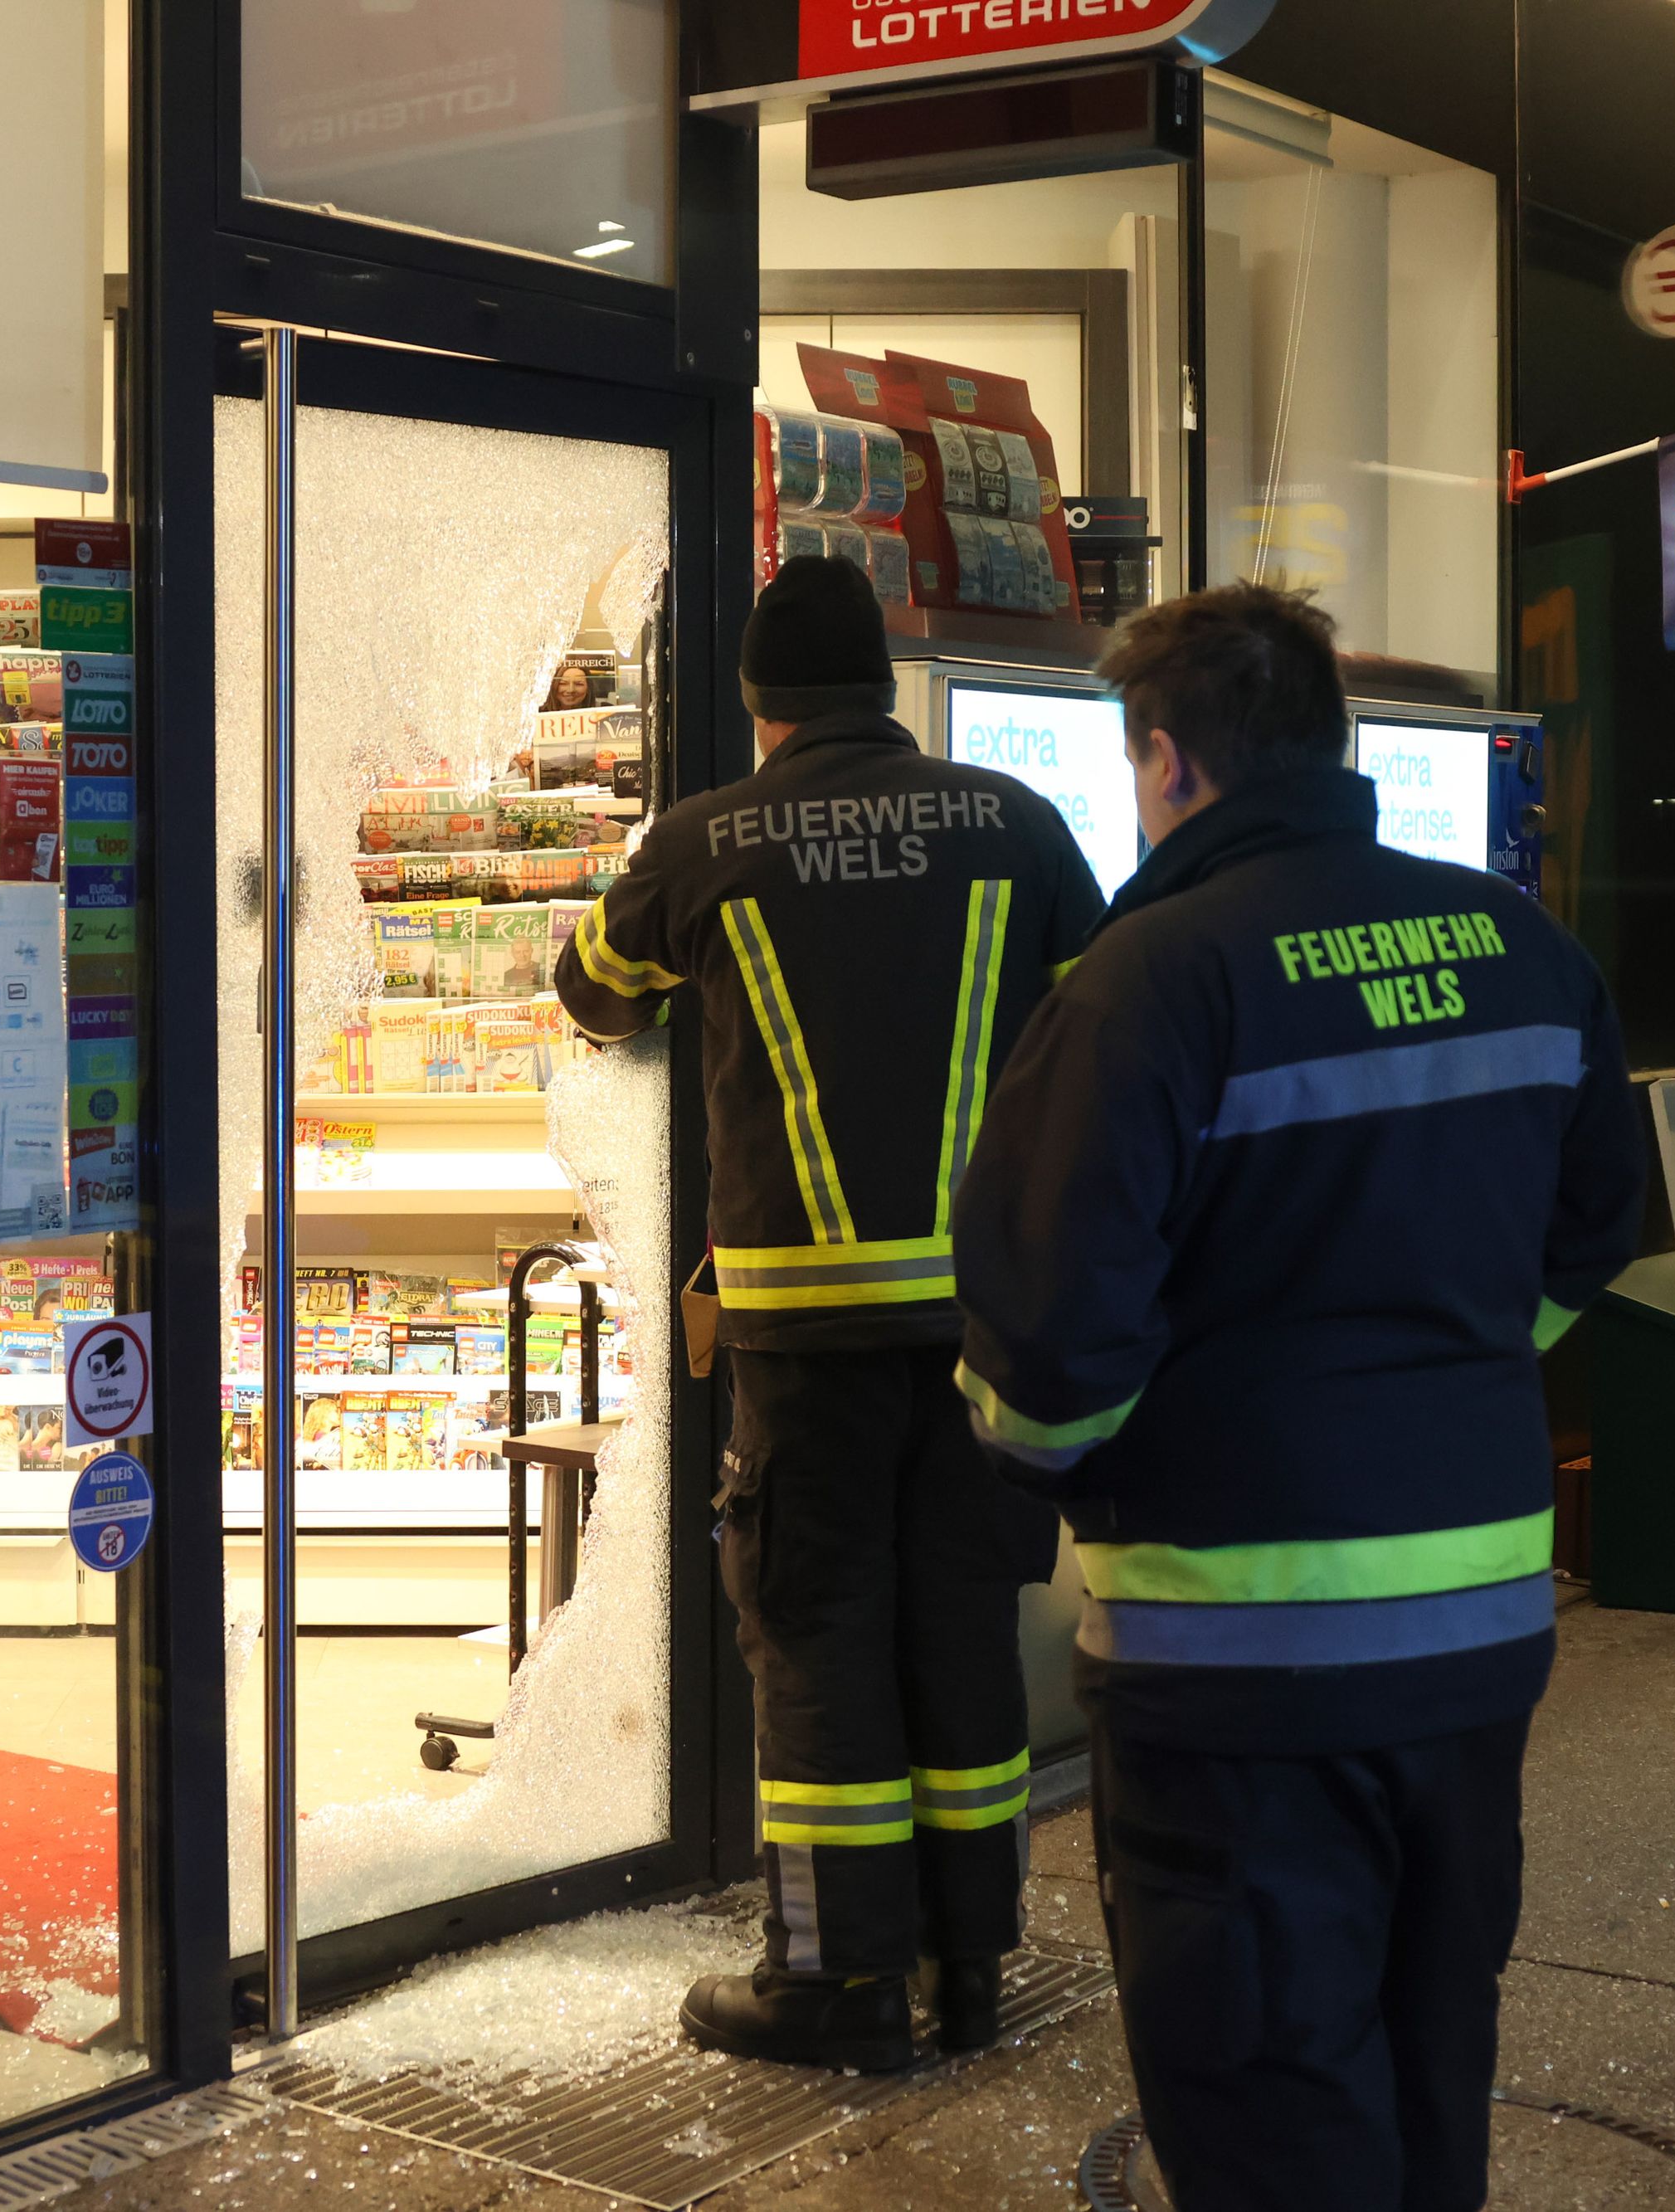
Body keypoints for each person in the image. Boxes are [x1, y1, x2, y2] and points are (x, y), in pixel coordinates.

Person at [949, 583, 1644, 2209]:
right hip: (1477, 1637)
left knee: (1267, 2089)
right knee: (1426, 2051)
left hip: (1237, 1660)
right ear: (1330, 745)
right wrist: (1450, 1375)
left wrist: (1063, 1465)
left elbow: (1047, 1352)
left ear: (1167, 761)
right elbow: (1595, 1227)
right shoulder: (1523, 952)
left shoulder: (1143, 982)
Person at [553, 554, 1105, 2071]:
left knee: (816, 1636)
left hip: (805, 1345)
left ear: (759, 703)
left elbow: (596, 991)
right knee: (963, 1628)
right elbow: (1097, 1016)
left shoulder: (704, 839)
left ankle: (835, 1980)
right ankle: (970, 1963)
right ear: (883, 687)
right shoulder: (1017, 823)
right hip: (981, 1332)